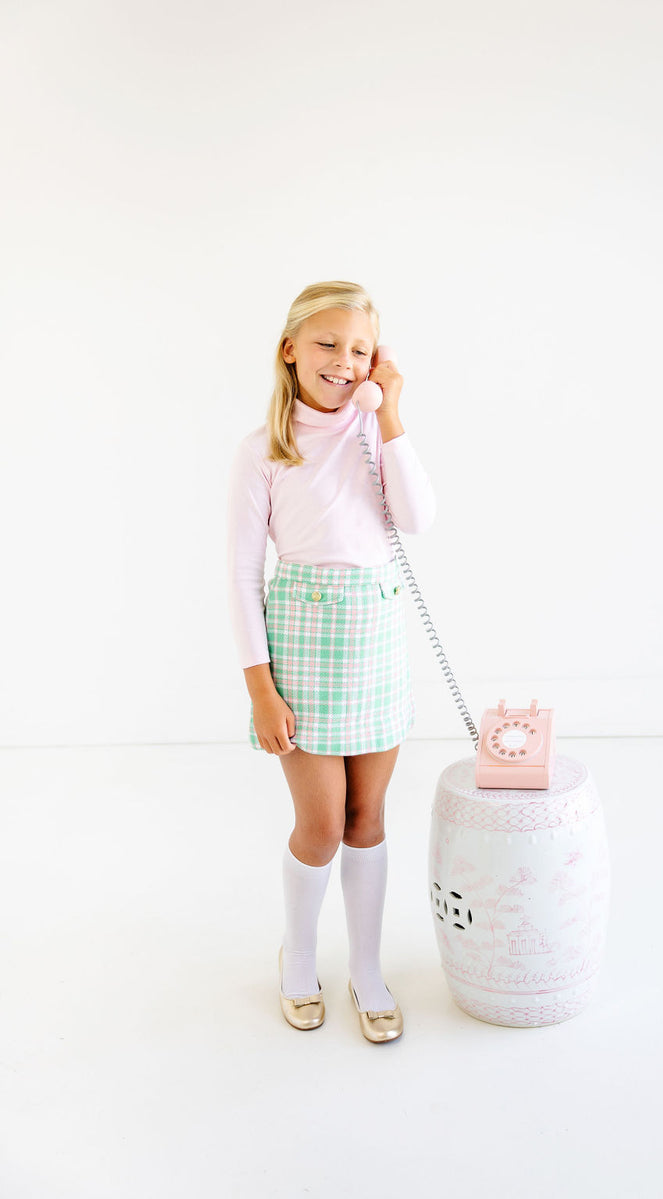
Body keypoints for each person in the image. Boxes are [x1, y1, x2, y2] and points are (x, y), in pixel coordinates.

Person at [226, 280, 435, 1043]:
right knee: (319, 824)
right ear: (290, 349)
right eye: (327, 343)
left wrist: (393, 414)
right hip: (303, 649)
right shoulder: (263, 449)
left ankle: (368, 968)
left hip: (375, 643)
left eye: (359, 349)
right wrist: (261, 688)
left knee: (367, 818)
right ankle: (301, 955)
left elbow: (419, 518)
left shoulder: (375, 433)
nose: (343, 361)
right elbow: (242, 574)